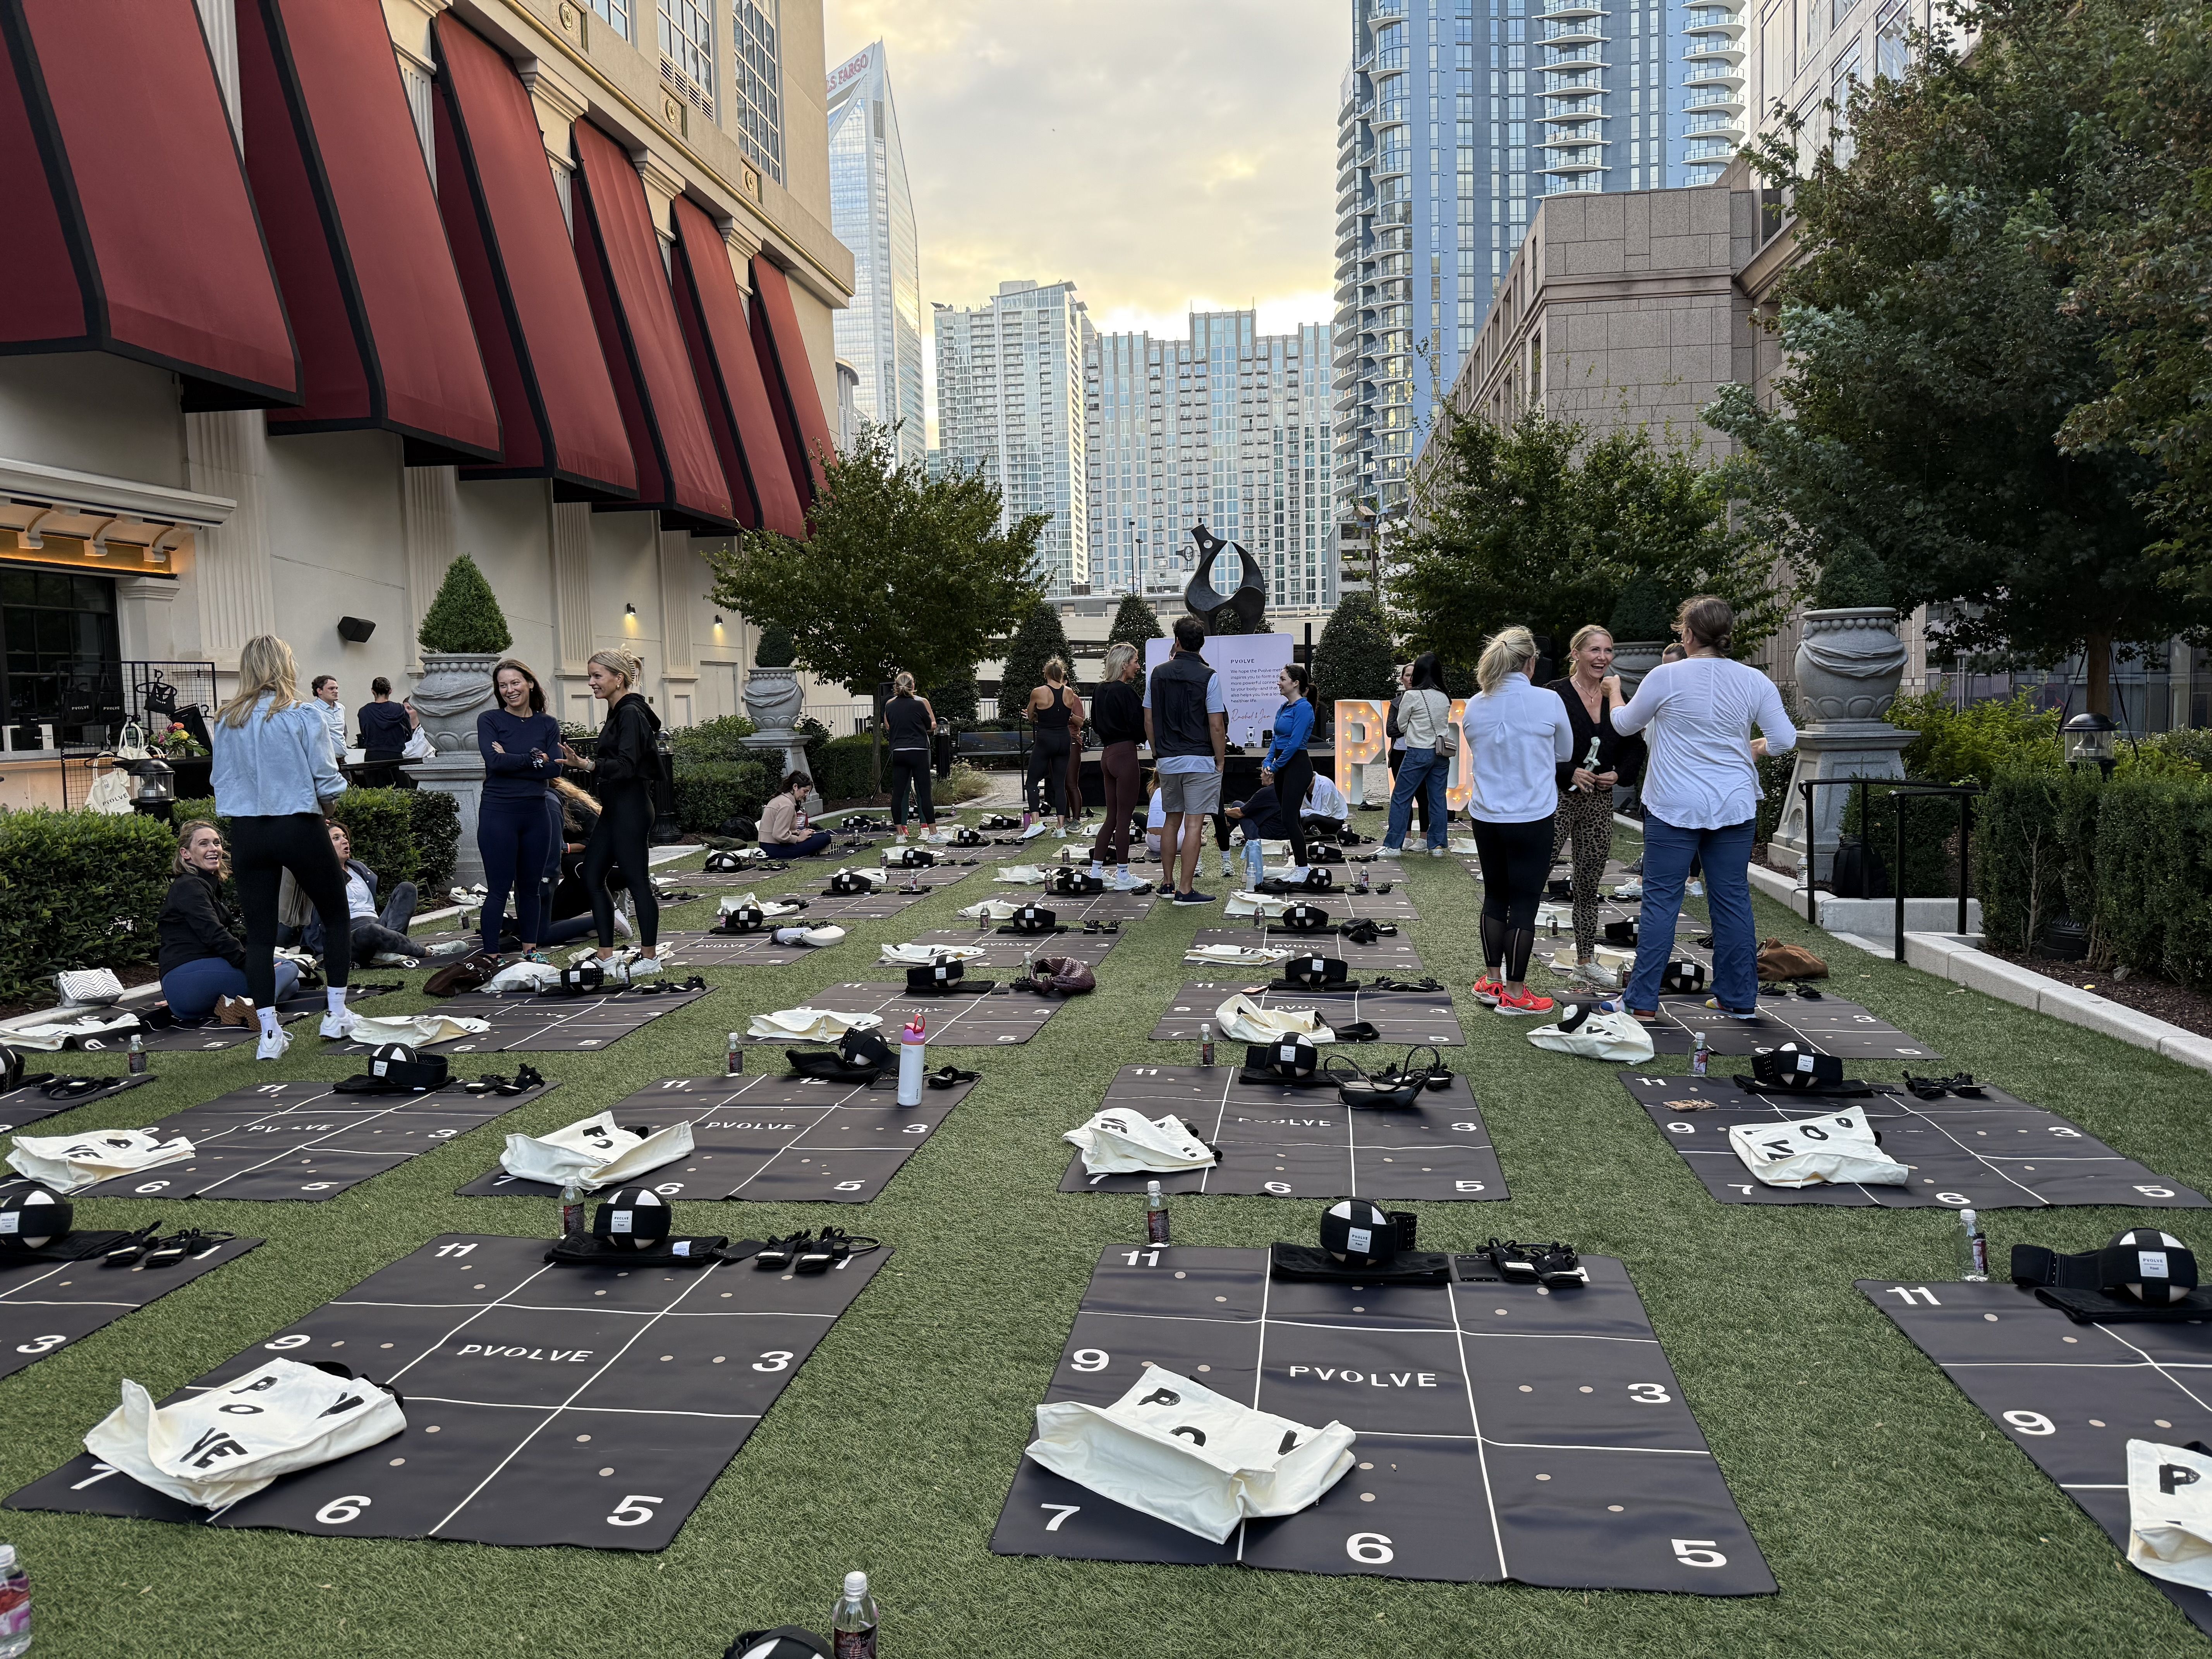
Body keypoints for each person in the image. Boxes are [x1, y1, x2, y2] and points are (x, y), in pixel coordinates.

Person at [1611, 595, 1797, 1025]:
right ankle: (1738, 998)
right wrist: (1757, 747)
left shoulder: (1666, 676)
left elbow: (1624, 725)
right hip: (1734, 802)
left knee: (1661, 901)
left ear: (1688, 634)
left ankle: (1641, 1001)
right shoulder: (1754, 681)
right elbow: (1786, 741)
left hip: (1674, 803)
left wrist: (1615, 696)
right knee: (1731, 899)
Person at [210, 634, 361, 1060]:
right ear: (285, 666)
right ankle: (335, 1013)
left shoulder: (226, 720)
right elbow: (327, 779)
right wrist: (329, 801)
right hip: (298, 824)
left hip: (249, 832)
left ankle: (270, 1035)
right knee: (335, 915)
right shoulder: (303, 715)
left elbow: (219, 781)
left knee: (258, 935)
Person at [1462, 625, 1575, 1015]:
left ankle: (1493, 982)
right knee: (1525, 901)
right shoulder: (1548, 700)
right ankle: (1515, 991)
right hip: (1532, 813)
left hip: (1487, 814)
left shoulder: (1476, 704)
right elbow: (1565, 753)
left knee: (1496, 895)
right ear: (1530, 662)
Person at [1546, 625, 1649, 987]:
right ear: (1575, 654)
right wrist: (1567, 771)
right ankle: (1514, 962)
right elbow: (1534, 746)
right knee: (1534, 878)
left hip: (1598, 803)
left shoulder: (1618, 698)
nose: (1602, 658)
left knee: (1589, 885)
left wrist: (1619, 775)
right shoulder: (1553, 695)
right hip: (1556, 799)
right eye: (1594, 650)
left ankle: (1586, 960)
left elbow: (1637, 747)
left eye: (1608, 651)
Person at [558, 648, 661, 969]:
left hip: (630, 808)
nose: (591, 682)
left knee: (637, 880)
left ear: (619, 679)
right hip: (616, 809)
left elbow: (627, 765)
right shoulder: (619, 711)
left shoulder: (630, 712)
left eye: (597, 676)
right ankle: (605, 953)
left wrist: (587, 764)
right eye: (590, 676)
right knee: (591, 875)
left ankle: (649, 957)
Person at [157, 820, 300, 1020]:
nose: (213, 849)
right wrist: (250, 964)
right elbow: (214, 934)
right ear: (185, 854)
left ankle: (234, 1007)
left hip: (188, 993)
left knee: (293, 983)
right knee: (288, 968)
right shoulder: (189, 886)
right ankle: (261, 1009)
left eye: (216, 843)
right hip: (187, 978)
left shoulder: (203, 885)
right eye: (204, 844)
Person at [477, 658, 563, 955]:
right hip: (498, 814)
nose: (510, 690)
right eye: (503, 686)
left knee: (531, 889)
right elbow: (494, 762)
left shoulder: (548, 723)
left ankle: (530, 952)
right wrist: (535, 758)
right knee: (499, 890)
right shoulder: (490, 720)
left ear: (529, 683)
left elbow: (555, 771)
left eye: (515, 683)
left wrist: (514, 759)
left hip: (536, 814)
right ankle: (492, 957)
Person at [1143, 617, 1228, 905]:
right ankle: (1186, 890)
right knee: (1194, 824)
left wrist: (1157, 751)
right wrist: (1221, 759)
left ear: (1176, 640)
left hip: (1168, 759)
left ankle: (1167, 885)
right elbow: (1216, 725)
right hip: (1200, 758)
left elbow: (1149, 718)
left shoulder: (1157, 674)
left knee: (1172, 820)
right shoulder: (1209, 676)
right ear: (1201, 643)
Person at [309, 821, 470, 966]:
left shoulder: (358, 869)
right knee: (371, 930)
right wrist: (313, 829)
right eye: (336, 838)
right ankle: (429, 952)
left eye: (345, 837)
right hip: (348, 937)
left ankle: (385, 951)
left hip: (378, 926)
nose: (345, 841)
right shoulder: (320, 875)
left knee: (407, 888)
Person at [1087, 644, 1146, 890]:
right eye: (1135, 661)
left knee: (1111, 817)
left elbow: (1096, 723)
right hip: (1125, 755)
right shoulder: (1127, 693)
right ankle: (1123, 874)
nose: (1138, 666)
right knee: (1123, 820)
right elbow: (1140, 726)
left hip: (1107, 755)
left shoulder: (1099, 690)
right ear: (1124, 664)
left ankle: (1096, 871)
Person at [1381, 653, 1452, 857]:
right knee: (1437, 799)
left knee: (1401, 797)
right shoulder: (1444, 697)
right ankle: (1436, 845)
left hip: (1418, 752)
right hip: (1441, 753)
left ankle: (1394, 845)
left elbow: (1401, 726)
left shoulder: (1411, 696)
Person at [1261, 663, 1318, 870]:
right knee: (1291, 818)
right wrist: (1268, 761)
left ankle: (1303, 868)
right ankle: (1299, 864)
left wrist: (1275, 767)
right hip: (1283, 766)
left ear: (1296, 683)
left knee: (1288, 819)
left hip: (1297, 766)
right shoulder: (1284, 708)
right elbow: (1276, 740)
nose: (1279, 683)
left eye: (1283, 679)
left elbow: (1294, 744)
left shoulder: (1304, 708)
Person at [1024, 658, 1084, 834]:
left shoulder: (1038, 692)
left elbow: (1030, 716)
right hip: (1064, 739)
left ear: (1046, 673)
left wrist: (1038, 716)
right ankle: (1060, 827)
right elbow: (1066, 715)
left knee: (1032, 781)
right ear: (1062, 675)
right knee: (1060, 783)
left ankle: (1036, 823)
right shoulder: (1069, 692)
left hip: (1046, 738)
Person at [884, 673, 938, 840]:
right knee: (924, 792)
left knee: (899, 793)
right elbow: (929, 724)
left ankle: (900, 834)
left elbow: (889, 726)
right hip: (919, 750)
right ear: (913, 685)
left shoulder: (889, 705)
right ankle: (933, 832)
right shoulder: (920, 703)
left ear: (896, 686)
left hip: (899, 751)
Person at [1387, 662, 1432, 844]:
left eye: (1415, 675)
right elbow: (1391, 730)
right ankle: (1406, 836)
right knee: (1403, 796)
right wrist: (1409, 726)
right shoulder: (1396, 703)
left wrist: (1405, 727)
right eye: (1407, 675)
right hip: (1399, 753)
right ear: (1402, 679)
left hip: (1421, 751)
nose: (1411, 679)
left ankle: (1424, 837)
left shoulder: (1427, 700)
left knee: (1424, 796)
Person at [1223, 785, 1291, 891]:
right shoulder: (1287, 789)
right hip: (1287, 835)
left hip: (1262, 836)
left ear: (1269, 774)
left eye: (1262, 772)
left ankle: (1222, 837)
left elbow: (1240, 813)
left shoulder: (1266, 792)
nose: (1260, 776)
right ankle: (1224, 836)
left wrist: (1224, 812)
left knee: (1237, 806)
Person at [356, 677, 420, 790]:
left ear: (373, 691)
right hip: (395, 756)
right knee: (403, 793)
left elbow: (365, 733)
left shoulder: (364, 711)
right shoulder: (400, 709)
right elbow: (408, 734)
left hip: (373, 757)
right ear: (390, 691)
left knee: (375, 794)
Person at [759, 772, 831, 857]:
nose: (806, 795)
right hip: (775, 848)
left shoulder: (781, 799)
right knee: (825, 837)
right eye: (805, 791)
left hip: (767, 844)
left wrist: (801, 832)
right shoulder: (787, 805)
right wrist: (799, 838)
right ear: (795, 787)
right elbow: (779, 835)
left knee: (816, 834)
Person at [1301, 770, 1350, 841]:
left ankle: (1302, 835)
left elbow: (1327, 812)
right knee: (1297, 818)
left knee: (1310, 818)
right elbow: (1303, 807)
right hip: (1318, 817)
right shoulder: (1304, 789)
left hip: (1334, 819)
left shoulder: (1326, 785)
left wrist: (1305, 812)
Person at [310, 674, 345, 763]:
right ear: (320, 691)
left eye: (337, 688)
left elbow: (343, 732)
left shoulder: (341, 708)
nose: (336, 691)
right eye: (331, 689)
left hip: (341, 758)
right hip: (325, 760)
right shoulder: (313, 710)